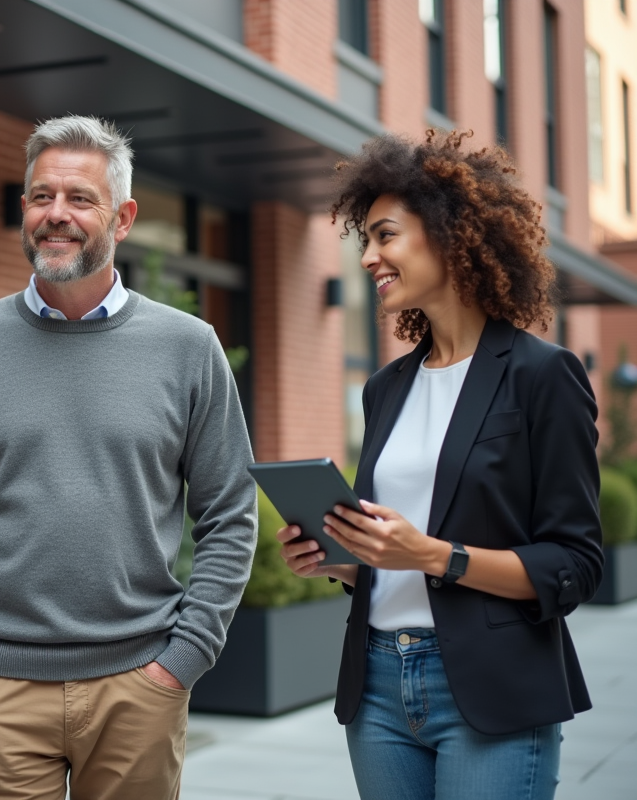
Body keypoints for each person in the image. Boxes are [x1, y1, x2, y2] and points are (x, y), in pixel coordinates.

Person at [0, 115, 258, 800]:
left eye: (80, 198)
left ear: (123, 217)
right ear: (24, 208)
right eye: (42, 196)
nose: (58, 215)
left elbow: (230, 516)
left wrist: (182, 660)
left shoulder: (188, 348)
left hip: (139, 686)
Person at [278, 130, 602, 800]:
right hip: (377, 686)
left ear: (450, 233)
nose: (369, 257)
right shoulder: (387, 388)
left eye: (386, 235)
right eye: (364, 239)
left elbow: (574, 564)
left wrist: (437, 556)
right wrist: (344, 558)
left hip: (493, 688)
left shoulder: (543, 376)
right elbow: (394, 553)